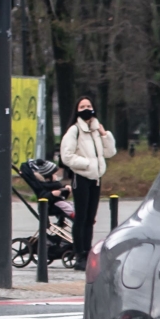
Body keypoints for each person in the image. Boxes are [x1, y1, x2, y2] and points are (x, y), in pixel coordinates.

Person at [58, 95, 117, 266]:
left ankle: (87, 251)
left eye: (88, 106)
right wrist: (87, 164)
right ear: (77, 110)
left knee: (91, 217)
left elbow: (109, 152)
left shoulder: (95, 130)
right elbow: (67, 156)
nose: (86, 109)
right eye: (82, 106)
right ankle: (80, 254)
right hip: (81, 176)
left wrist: (105, 134)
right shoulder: (74, 131)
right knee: (81, 217)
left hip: (96, 178)